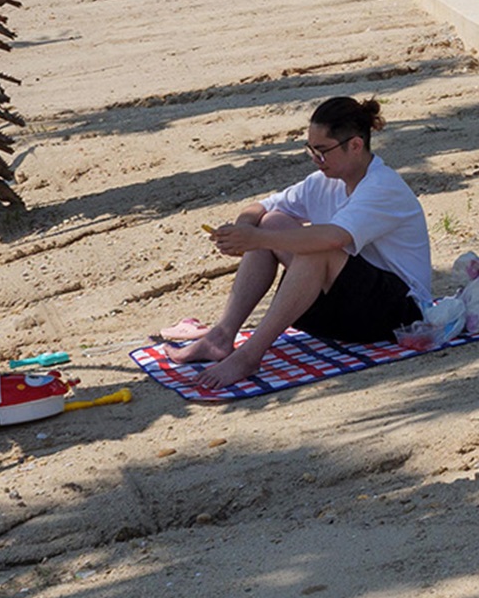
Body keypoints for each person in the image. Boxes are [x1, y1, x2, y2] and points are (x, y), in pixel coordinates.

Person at [163, 95, 432, 391]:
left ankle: (250, 355)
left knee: (317, 248)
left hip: (400, 318)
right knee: (273, 221)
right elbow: (261, 207)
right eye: (311, 150)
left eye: (323, 151)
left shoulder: (383, 186)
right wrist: (243, 231)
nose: (317, 160)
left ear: (355, 145)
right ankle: (222, 335)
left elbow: (334, 237)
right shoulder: (324, 181)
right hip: (345, 308)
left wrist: (256, 238)